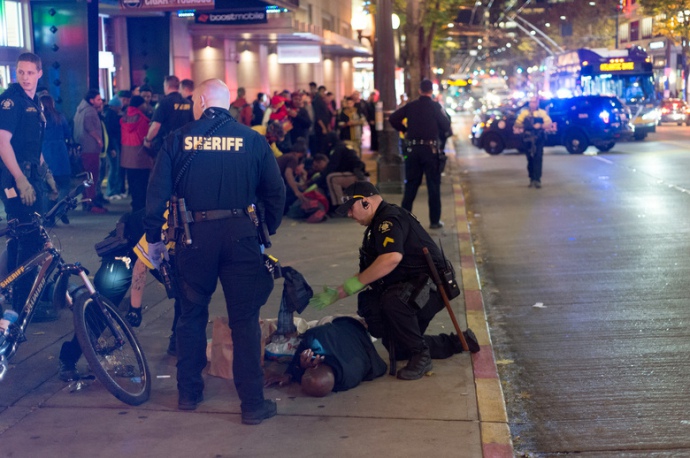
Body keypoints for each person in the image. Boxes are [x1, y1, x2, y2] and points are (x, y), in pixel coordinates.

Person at [144, 79, 285, 423]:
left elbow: (155, 195)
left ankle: (189, 394)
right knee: (245, 320)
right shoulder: (252, 139)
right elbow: (276, 192)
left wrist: (154, 239)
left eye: (195, 102)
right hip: (241, 236)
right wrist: (265, 230)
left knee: (191, 314)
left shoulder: (177, 139)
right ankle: (253, 405)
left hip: (193, 237)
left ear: (203, 101)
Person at [309, 182, 466, 380]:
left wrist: (354, 284)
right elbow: (371, 271)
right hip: (417, 289)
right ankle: (456, 342)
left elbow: (391, 258)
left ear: (365, 203)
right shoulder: (376, 225)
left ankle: (421, 355)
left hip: (433, 290)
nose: (349, 214)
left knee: (393, 301)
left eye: (351, 208)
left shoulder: (389, 220)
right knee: (397, 347)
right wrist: (338, 293)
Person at [0, 53, 57, 312]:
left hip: (31, 176)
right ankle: (23, 304)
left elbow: (34, 146)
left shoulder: (34, 102)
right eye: (21, 72)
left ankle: (12, 294)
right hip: (15, 179)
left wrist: (46, 173)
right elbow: (3, 142)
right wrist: (20, 179)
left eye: (30, 72)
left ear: (39, 73)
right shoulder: (11, 101)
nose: (25, 77)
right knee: (30, 239)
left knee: (21, 237)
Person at [265, 317, 387, 396]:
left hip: (349, 331)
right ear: (315, 366)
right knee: (313, 324)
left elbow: (301, 368)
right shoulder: (316, 340)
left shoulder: (346, 380)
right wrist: (290, 373)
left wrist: (297, 368)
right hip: (349, 324)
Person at [389, 79, 451, 229]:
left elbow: (393, 118)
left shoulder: (411, 106)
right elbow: (446, 125)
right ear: (431, 91)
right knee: (433, 185)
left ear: (419, 90)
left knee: (411, 185)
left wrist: (404, 129)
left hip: (413, 150)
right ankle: (434, 221)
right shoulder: (435, 106)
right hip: (430, 150)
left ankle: (404, 220)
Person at [39, 92, 72, 223]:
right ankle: (60, 208)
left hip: (44, 153)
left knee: (46, 188)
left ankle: (48, 217)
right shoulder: (60, 117)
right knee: (64, 184)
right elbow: (68, 134)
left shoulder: (38, 119)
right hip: (60, 153)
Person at [73, 88, 107, 213]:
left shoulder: (80, 110)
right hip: (90, 148)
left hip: (83, 148)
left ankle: (86, 200)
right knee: (92, 175)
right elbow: (90, 127)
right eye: (98, 99)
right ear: (91, 100)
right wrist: (99, 139)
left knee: (85, 176)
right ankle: (92, 203)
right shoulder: (90, 111)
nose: (101, 101)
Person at [143, 76, 194, 156]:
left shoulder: (164, 102)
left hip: (167, 143)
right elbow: (193, 123)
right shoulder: (188, 102)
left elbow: (155, 126)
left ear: (167, 86)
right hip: (185, 143)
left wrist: (148, 140)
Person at [120, 95, 152, 212]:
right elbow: (146, 138)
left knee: (132, 182)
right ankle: (141, 207)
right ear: (140, 105)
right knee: (142, 182)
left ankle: (135, 205)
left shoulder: (124, 118)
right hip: (140, 155)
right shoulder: (142, 119)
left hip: (127, 156)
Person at [513, 96, 552, 189]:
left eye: (534, 102)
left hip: (538, 139)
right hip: (528, 139)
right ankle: (531, 179)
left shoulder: (542, 113)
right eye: (531, 102)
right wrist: (525, 125)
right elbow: (517, 123)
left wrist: (540, 125)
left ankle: (537, 180)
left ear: (537, 103)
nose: (532, 104)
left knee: (538, 158)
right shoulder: (525, 113)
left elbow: (548, 123)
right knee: (529, 159)